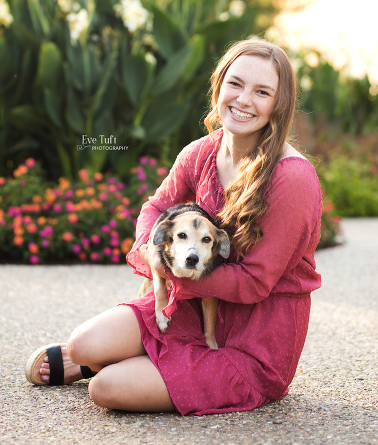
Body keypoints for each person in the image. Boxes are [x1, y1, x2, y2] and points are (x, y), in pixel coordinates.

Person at [24, 39, 322, 416]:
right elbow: (156, 207)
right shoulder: (200, 152)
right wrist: (155, 252)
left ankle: (124, 365)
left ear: (279, 105)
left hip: (252, 343)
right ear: (219, 86)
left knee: (105, 388)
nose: (244, 100)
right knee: (82, 344)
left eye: (262, 92)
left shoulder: (292, 179)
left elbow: (254, 281)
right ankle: (109, 358)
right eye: (236, 83)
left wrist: (174, 273)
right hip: (191, 308)